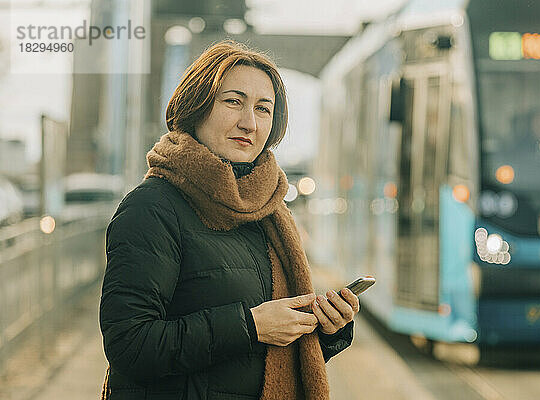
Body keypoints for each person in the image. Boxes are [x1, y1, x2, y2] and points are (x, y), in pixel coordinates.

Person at [99, 40, 359, 400]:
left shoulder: (268, 212)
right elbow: (130, 345)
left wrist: (326, 328)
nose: (249, 123)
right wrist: (250, 326)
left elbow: (265, 362)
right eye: (233, 101)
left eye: (263, 109)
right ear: (196, 107)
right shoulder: (151, 208)